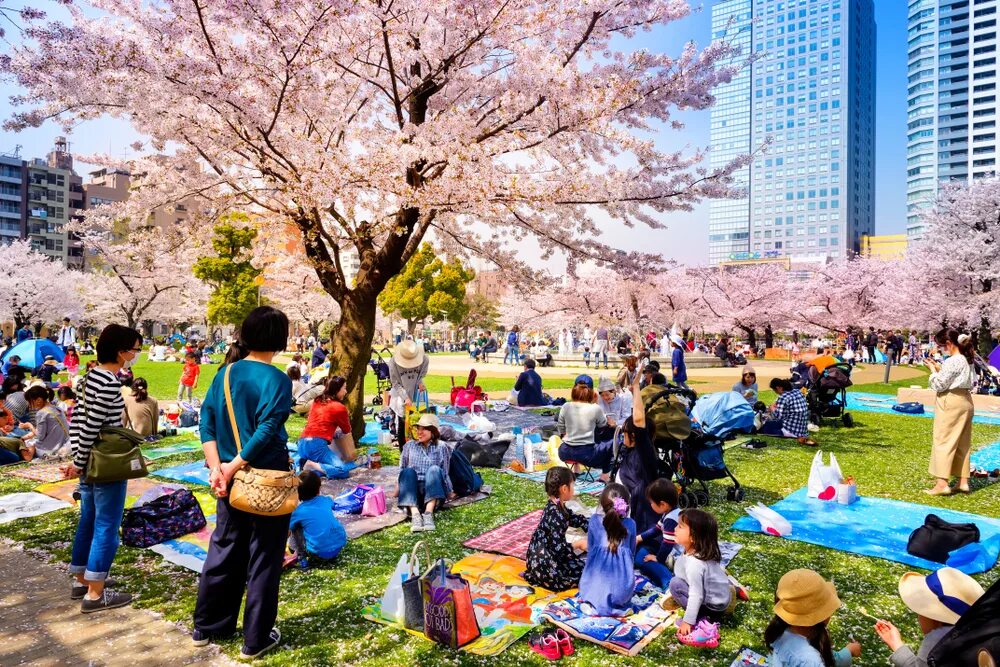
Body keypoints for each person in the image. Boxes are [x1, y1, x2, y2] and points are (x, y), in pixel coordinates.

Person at [193, 306, 294, 660]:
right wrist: (231, 467)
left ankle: (208, 625)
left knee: (225, 548)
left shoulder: (224, 373)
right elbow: (267, 431)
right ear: (279, 339)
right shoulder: (277, 379)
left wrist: (217, 468)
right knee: (265, 557)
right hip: (266, 479)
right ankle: (256, 637)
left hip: (228, 480)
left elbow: (205, 424)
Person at [59, 324, 143, 613]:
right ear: (121, 352)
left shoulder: (87, 378)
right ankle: (95, 594)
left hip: (88, 460)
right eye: (134, 349)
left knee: (89, 520)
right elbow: (93, 425)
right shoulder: (108, 383)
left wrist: (77, 460)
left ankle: (83, 579)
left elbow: (78, 422)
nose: (135, 354)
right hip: (105, 463)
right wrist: (79, 463)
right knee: (106, 525)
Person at [874, 568, 983, 667]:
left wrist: (896, 644)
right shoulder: (980, 631)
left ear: (934, 618)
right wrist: (895, 643)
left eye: (921, 611)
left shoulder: (937, 638)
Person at [765, 569, 861, 666]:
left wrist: (848, 652)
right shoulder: (810, 660)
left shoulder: (779, 631)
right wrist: (849, 652)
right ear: (822, 615)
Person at [924, 329, 976, 495]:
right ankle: (963, 481)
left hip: (950, 401)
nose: (940, 349)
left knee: (943, 440)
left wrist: (932, 371)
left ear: (948, 344)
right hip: (965, 401)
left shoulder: (953, 360)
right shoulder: (967, 359)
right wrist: (940, 369)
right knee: (962, 443)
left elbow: (939, 385)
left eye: (941, 346)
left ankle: (941, 484)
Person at [523, 466, 589, 591]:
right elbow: (559, 549)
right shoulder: (556, 515)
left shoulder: (556, 505)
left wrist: (592, 525)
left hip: (542, 556)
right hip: (545, 562)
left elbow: (572, 518)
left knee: (581, 567)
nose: (573, 489)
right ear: (564, 489)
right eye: (572, 486)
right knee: (583, 572)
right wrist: (578, 544)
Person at [669, 509, 733, 638]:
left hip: (712, 608)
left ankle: (702, 619)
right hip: (720, 599)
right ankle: (733, 590)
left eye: (680, 527)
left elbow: (696, 594)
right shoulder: (698, 552)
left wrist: (688, 621)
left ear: (693, 537)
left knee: (675, 584)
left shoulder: (695, 563)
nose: (675, 528)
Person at [578, 483, 637, 615]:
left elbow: (591, 549)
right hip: (622, 593)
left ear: (602, 504)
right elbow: (632, 552)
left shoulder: (594, 521)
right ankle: (616, 609)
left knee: (589, 584)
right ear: (626, 505)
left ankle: (597, 606)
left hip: (593, 590)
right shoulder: (631, 524)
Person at [612, 371, 659, 533]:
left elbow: (638, 420)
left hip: (640, 523)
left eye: (624, 431)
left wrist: (637, 388)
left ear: (633, 435)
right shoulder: (629, 451)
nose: (621, 434)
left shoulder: (645, 454)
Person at [398, 413, 453, 533]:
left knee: (434, 469)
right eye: (418, 429)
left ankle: (428, 514)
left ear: (433, 431)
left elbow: (444, 472)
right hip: (412, 492)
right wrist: (397, 491)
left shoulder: (442, 447)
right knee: (408, 471)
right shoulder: (409, 446)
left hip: (433, 491)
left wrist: (449, 491)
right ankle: (416, 515)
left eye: (424, 429)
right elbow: (402, 470)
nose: (419, 432)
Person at [297, 375, 357, 473]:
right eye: (344, 388)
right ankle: (311, 464)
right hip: (316, 446)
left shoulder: (317, 401)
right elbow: (346, 430)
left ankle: (308, 465)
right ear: (337, 390)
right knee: (342, 470)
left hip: (302, 443)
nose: (346, 392)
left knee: (318, 472)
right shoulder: (339, 407)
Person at [288, 471, 347, 566]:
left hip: (318, 553)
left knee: (295, 526)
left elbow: (287, 529)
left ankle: (301, 557)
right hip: (338, 547)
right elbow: (331, 501)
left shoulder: (299, 511)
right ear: (318, 489)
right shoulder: (325, 500)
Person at [557, 377, 612, 478]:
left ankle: (576, 469)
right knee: (610, 443)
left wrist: (569, 438)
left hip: (564, 452)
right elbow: (603, 425)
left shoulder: (565, 406)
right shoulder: (595, 408)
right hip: (587, 455)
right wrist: (595, 403)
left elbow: (561, 427)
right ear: (591, 394)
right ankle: (605, 475)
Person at [635, 478, 681, 588]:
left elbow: (667, 545)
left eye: (651, 502)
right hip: (675, 553)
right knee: (643, 551)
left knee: (642, 558)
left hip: (679, 556)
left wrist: (658, 558)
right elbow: (656, 529)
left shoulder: (670, 520)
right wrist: (639, 538)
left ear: (662, 504)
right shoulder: (673, 512)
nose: (650, 505)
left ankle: (668, 583)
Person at [387, 339, 429, 444]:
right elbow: (395, 383)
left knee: (418, 423)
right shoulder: (393, 362)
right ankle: (404, 452)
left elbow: (421, 375)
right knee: (403, 425)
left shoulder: (424, 359)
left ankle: (418, 449)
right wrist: (405, 397)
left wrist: (420, 382)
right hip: (400, 396)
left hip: (416, 394)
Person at [761, 378, 816, 446]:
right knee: (771, 424)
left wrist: (772, 408)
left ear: (778, 388)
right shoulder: (798, 392)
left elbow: (778, 416)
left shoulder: (783, 397)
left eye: (775, 390)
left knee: (766, 427)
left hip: (791, 431)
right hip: (803, 431)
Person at [25, 385, 70, 457]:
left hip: (49, 449)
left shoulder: (41, 413)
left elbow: (40, 436)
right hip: (65, 445)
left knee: (27, 443)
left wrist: (30, 426)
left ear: (39, 400)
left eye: (30, 401)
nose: (29, 405)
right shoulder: (58, 409)